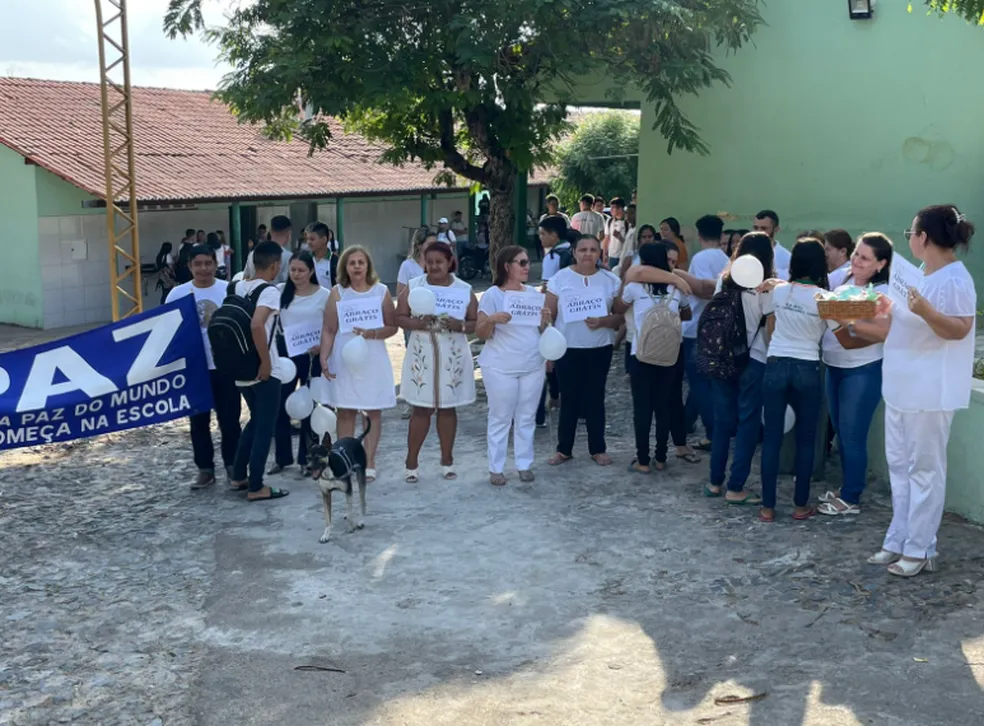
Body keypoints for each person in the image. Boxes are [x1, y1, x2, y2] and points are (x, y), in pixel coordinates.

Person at [868, 206, 976, 577]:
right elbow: (908, 320)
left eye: (910, 232)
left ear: (923, 237)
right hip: (902, 385)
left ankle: (920, 546)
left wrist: (927, 311)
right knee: (900, 466)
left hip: (931, 390)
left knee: (925, 469)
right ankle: (900, 539)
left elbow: (959, 329)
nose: (909, 239)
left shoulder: (955, 279)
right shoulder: (922, 275)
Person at [819, 233, 894, 516]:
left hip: (862, 370)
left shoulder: (883, 292)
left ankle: (851, 497)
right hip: (834, 366)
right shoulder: (844, 278)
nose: (857, 261)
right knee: (840, 430)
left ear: (880, 263)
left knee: (852, 435)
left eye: (865, 258)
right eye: (856, 254)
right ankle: (848, 486)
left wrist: (840, 315)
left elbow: (883, 331)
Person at [758, 238, 829, 522]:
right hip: (808, 366)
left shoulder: (779, 291)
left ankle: (767, 506)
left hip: (775, 364)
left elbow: (766, 313)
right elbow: (836, 330)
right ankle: (800, 504)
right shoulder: (824, 298)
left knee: (772, 438)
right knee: (806, 439)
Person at [395, 242, 478, 482]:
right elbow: (399, 316)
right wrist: (418, 323)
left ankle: (447, 459)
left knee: (447, 408)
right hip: (422, 354)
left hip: (452, 354)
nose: (433, 267)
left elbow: (475, 322)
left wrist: (460, 325)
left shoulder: (463, 289)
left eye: (438, 262)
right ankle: (411, 462)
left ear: (450, 262)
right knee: (421, 408)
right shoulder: (413, 287)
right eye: (429, 262)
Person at [704, 232, 775, 502]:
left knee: (722, 421)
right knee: (748, 422)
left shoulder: (724, 280)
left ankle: (714, 481)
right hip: (754, 358)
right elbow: (769, 328)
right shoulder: (766, 287)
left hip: (721, 357)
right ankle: (735, 487)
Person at [165, 245, 242, 489]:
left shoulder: (229, 289)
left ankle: (234, 466)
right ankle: (205, 469)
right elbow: (167, 331)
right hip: (194, 368)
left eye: (208, 263)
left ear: (214, 263)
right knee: (198, 422)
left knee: (230, 419)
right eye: (198, 264)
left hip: (226, 366)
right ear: (189, 266)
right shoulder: (177, 294)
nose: (203, 269)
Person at [321, 246, 398, 482]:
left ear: (368, 266)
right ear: (345, 266)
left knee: (372, 411)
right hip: (344, 359)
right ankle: (345, 458)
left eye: (360, 262)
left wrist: (372, 333)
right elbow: (329, 328)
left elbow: (392, 326)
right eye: (352, 262)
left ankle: (369, 460)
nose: (356, 266)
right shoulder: (337, 293)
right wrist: (324, 357)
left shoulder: (381, 291)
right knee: (345, 410)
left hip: (372, 358)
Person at [476, 245, 552, 485]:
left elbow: (540, 331)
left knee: (527, 416)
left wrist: (544, 321)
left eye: (527, 262)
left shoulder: (532, 294)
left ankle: (524, 463)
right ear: (507, 266)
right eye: (521, 262)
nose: (527, 267)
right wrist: (491, 319)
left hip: (531, 363)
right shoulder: (492, 295)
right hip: (500, 365)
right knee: (501, 416)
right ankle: (496, 467)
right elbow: (481, 333)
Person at [545, 234, 623, 466]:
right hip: (567, 347)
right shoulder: (560, 279)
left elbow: (620, 316)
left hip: (599, 347)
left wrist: (603, 322)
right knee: (568, 397)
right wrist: (547, 349)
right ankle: (564, 449)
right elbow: (549, 315)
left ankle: (597, 448)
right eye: (583, 250)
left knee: (595, 396)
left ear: (600, 253)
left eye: (593, 250)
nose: (588, 254)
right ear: (574, 252)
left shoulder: (611, 281)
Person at [614, 242, 691, 473]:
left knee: (642, 408)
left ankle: (643, 460)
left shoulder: (635, 288)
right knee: (663, 406)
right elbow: (687, 314)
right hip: (671, 354)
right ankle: (661, 457)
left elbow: (618, 308)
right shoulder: (676, 288)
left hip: (641, 354)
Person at [229, 240, 290, 502]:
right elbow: (257, 325)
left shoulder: (236, 286)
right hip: (265, 369)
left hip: (239, 367)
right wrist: (265, 363)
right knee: (265, 427)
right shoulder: (269, 291)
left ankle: (238, 475)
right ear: (276, 265)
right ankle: (256, 485)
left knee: (254, 422)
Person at [269, 251, 330, 475]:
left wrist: (322, 348)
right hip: (285, 353)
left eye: (301, 270)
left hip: (313, 354)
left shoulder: (324, 295)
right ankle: (282, 458)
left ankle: (308, 458)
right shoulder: (278, 292)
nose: (296, 274)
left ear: (311, 271)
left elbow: (330, 325)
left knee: (311, 407)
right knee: (281, 405)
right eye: (292, 269)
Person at [678, 215, 730, 450]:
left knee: (699, 382)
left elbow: (699, 289)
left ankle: (712, 431)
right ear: (721, 236)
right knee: (706, 380)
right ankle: (686, 422)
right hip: (719, 327)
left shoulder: (700, 258)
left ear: (699, 236)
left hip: (697, 325)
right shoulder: (727, 259)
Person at [536, 216, 577, 426]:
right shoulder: (574, 249)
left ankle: (555, 397)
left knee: (550, 359)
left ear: (554, 234)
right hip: (575, 311)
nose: (540, 237)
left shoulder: (552, 256)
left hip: (556, 310)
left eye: (543, 233)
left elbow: (546, 288)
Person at [245, 215, 294, 283]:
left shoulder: (253, 253)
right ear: (289, 233)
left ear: (270, 231)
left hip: (256, 292)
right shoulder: (290, 257)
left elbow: (246, 278)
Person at [753, 210, 790, 280]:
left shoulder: (786, 258)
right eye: (756, 228)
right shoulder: (745, 252)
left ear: (776, 230)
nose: (759, 232)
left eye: (764, 228)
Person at [305, 221, 336, 288]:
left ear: (324, 240)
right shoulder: (304, 260)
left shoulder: (336, 261)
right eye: (307, 239)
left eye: (312, 239)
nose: (308, 242)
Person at [603, 197, 629, 269]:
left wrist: (620, 237)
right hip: (611, 256)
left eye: (613, 208)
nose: (611, 210)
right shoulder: (609, 221)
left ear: (620, 209)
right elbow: (606, 238)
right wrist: (604, 254)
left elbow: (630, 243)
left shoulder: (628, 223)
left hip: (623, 256)